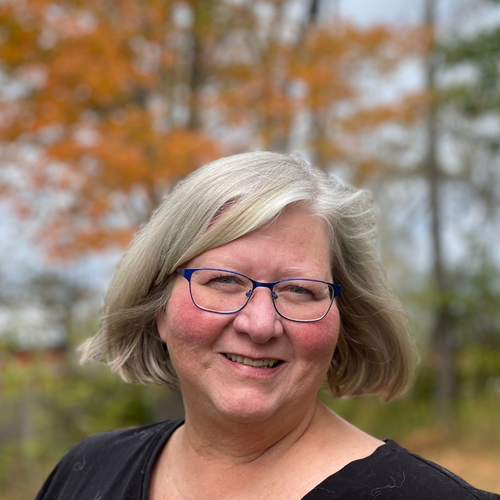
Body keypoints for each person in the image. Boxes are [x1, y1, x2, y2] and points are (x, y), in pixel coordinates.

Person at [36, 152, 499, 500]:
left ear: (344, 320)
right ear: (158, 307)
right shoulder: (85, 473)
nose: (260, 325)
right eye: (223, 281)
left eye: (300, 290)